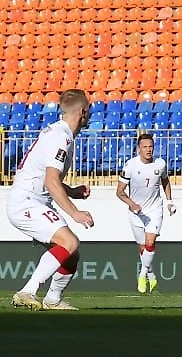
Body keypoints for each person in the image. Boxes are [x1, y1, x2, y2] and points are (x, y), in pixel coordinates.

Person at [6, 89, 95, 311]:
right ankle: (27, 291)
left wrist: (72, 192)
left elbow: (47, 178)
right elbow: (51, 181)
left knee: (71, 255)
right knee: (70, 242)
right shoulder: (61, 137)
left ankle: (53, 299)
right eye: (90, 110)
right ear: (83, 112)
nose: (91, 114)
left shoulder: (57, 133)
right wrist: (75, 212)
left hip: (32, 199)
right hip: (26, 201)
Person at [116, 132, 177, 294]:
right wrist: (132, 204)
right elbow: (120, 192)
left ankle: (142, 274)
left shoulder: (160, 164)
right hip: (136, 212)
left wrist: (169, 202)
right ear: (139, 149)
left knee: (150, 243)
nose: (148, 150)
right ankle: (151, 274)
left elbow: (165, 181)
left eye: (151, 146)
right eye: (145, 147)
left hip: (154, 209)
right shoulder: (130, 166)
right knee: (143, 248)